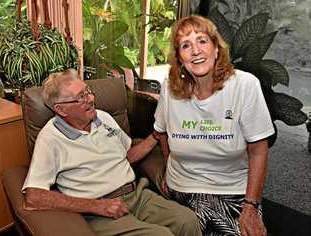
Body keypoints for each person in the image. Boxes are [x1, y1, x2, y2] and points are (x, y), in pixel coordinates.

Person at [22, 69, 202, 236]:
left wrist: (155, 135)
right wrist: (97, 206)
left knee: (189, 221)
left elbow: (126, 155)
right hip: (99, 213)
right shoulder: (50, 138)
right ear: (60, 109)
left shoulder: (103, 117)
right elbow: (33, 197)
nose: (91, 99)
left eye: (88, 91)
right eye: (81, 97)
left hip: (136, 196)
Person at [153, 16, 275, 236]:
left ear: (217, 49)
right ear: (179, 58)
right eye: (185, 45)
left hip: (234, 190)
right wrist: (169, 169)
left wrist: (250, 206)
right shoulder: (169, 89)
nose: (196, 51)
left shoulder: (245, 85)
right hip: (183, 187)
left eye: (202, 41)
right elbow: (161, 132)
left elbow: (258, 151)